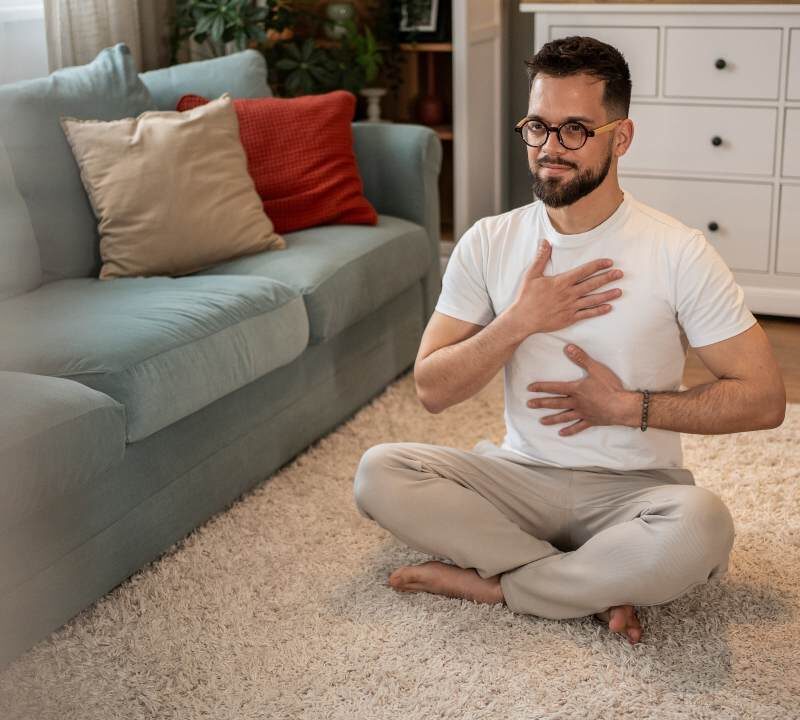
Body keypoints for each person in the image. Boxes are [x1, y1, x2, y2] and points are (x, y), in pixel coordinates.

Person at [353, 36, 786, 645]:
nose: (550, 149)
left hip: (634, 493)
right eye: (538, 127)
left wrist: (628, 408)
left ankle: (504, 583)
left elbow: (764, 400)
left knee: (703, 525)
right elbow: (431, 389)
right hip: (518, 476)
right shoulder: (488, 241)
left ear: (622, 137)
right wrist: (520, 320)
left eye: (575, 130)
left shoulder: (677, 251)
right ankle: (584, 585)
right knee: (379, 473)